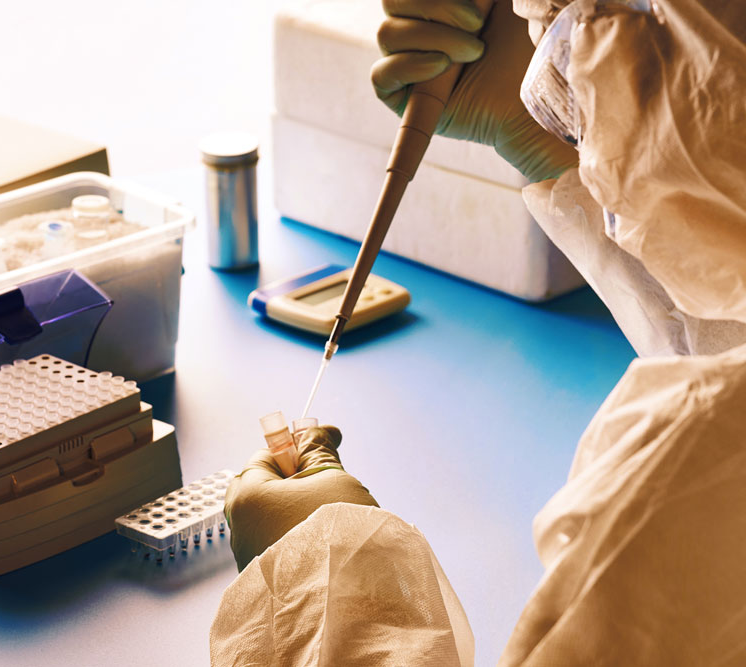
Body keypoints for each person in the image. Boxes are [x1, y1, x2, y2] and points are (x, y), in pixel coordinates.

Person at [210, 0, 746, 664]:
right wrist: (547, 145)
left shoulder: (697, 479)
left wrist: (321, 584)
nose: (549, 37)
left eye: (576, 17)